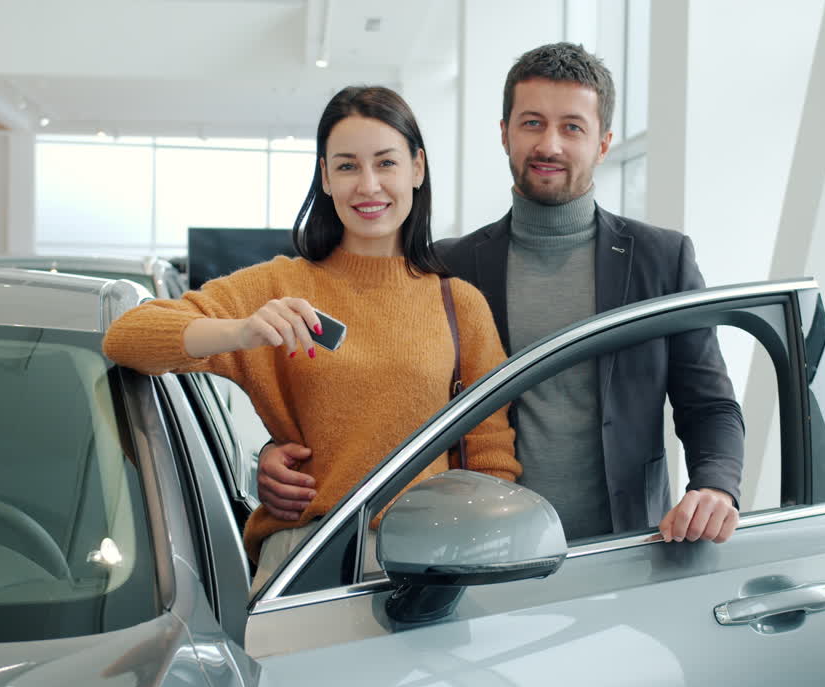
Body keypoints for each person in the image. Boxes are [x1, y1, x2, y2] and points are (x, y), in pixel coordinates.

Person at [257, 43, 744, 546]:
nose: (549, 144)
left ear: (603, 144)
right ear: (505, 134)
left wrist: (715, 486)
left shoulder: (660, 259)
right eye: (532, 123)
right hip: (479, 555)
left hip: (627, 547)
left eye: (572, 127)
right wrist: (281, 449)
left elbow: (708, 404)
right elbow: (371, 382)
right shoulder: (448, 267)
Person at [102, 86, 521, 593]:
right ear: (325, 177)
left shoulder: (459, 304)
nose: (368, 185)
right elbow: (128, 336)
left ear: (417, 168)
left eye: (385, 163)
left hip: (429, 566)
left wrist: (486, 560)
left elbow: (490, 455)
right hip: (305, 561)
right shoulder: (279, 287)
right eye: (347, 167)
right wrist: (242, 330)